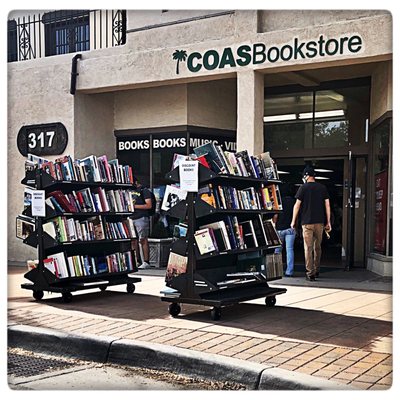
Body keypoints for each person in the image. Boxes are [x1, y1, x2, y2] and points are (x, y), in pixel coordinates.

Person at [290, 166, 331, 281]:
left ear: (307, 176)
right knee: (317, 247)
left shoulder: (303, 188)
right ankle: (317, 269)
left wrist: (293, 221)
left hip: (306, 223)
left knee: (308, 248)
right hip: (320, 222)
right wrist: (328, 221)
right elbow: (327, 205)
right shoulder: (322, 188)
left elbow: (297, 206)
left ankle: (310, 273)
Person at [273, 183, 296, 277]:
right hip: (290, 228)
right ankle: (289, 271)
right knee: (289, 250)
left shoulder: (279, 201)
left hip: (279, 229)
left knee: (277, 251)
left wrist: (274, 224)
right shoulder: (294, 201)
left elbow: (275, 215)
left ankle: (277, 271)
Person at [131, 178, 153, 269]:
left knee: (143, 239)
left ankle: (146, 261)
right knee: (133, 240)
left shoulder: (145, 191)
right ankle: (137, 260)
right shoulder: (129, 190)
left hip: (141, 217)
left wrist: (134, 206)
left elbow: (149, 205)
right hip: (131, 217)